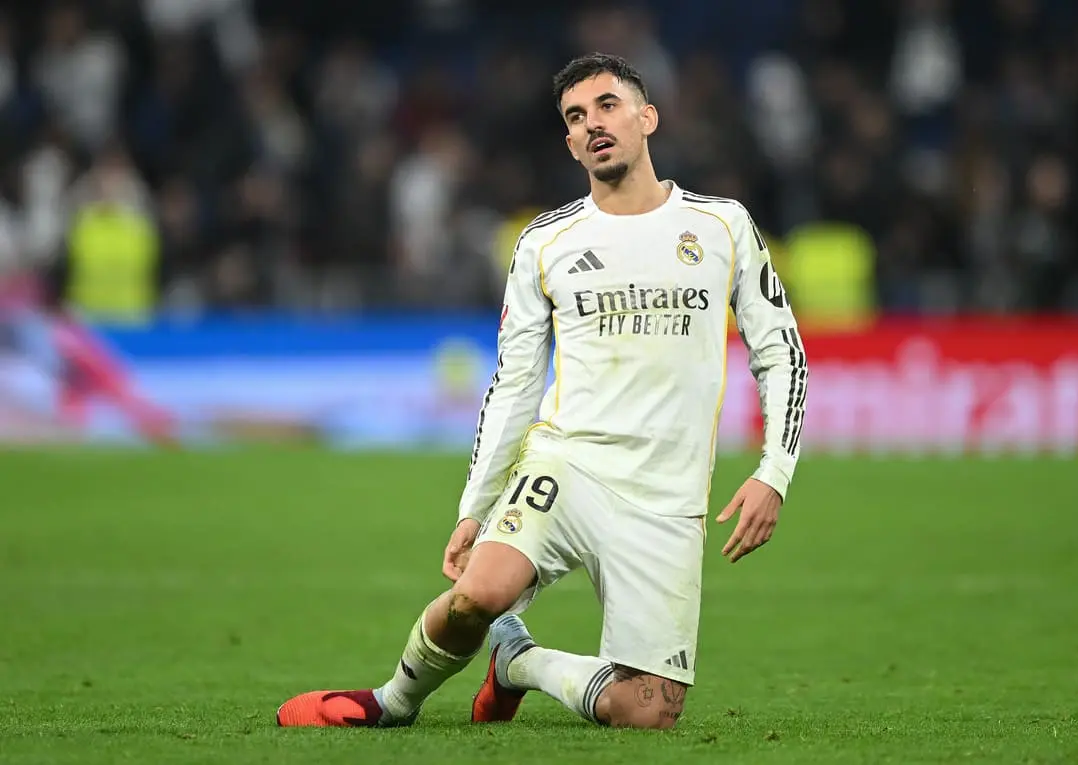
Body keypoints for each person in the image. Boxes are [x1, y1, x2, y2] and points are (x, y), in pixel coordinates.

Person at [276, 52, 808, 731]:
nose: (593, 125)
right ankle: (392, 701)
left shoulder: (721, 226)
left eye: (608, 106)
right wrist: (475, 505)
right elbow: (515, 381)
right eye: (576, 117)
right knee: (478, 594)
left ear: (648, 117)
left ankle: (517, 661)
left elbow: (782, 352)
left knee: (647, 712)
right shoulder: (547, 241)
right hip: (569, 464)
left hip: (666, 499)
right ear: (568, 142)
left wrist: (774, 474)